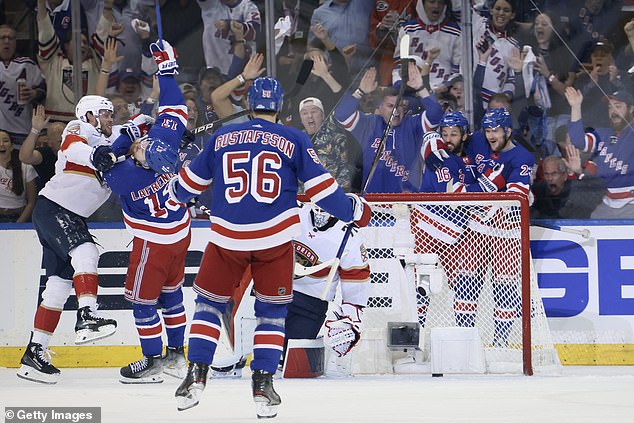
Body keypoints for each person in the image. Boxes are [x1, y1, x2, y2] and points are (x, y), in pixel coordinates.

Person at [167, 75, 371, 418]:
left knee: (208, 307)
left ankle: (195, 375)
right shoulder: (294, 138)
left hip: (227, 238)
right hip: (275, 240)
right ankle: (263, 384)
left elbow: (185, 188)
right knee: (271, 313)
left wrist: (172, 186)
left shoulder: (221, 137)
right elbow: (322, 191)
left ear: (249, 105)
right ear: (280, 107)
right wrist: (354, 210)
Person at [16, 94, 120, 384]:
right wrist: (95, 156)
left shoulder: (109, 141)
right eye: (105, 113)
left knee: (58, 287)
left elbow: (137, 130)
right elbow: (74, 148)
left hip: (61, 214)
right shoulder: (79, 128)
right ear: (89, 115)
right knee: (86, 250)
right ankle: (87, 315)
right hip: (57, 209)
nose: (111, 118)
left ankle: (35, 352)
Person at [100, 62, 191, 382]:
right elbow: (177, 107)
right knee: (171, 296)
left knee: (142, 303)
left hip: (153, 243)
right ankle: (178, 356)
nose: (142, 145)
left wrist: (124, 141)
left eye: (141, 150)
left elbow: (108, 161)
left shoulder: (127, 177)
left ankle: (153, 359)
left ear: (145, 165)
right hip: (180, 234)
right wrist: (166, 70)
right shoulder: (164, 145)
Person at [211, 200, 371, 378]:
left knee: (290, 362)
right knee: (237, 297)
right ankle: (239, 352)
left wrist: (348, 319)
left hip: (311, 305)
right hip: (275, 290)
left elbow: (356, 282)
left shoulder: (349, 237)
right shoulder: (293, 212)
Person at [334, 63, 443, 193]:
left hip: (406, 201)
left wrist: (420, 88)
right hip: (374, 201)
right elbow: (341, 114)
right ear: (380, 108)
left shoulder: (413, 124)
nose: (396, 111)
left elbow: (436, 115)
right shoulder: (369, 124)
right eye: (391, 106)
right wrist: (360, 91)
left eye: (400, 106)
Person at [565, 88, 634, 218]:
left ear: (631, 109)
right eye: (610, 107)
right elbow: (579, 141)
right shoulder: (603, 134)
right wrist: (575, 107)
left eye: (618, 106)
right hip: (607, 204)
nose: (613, 112)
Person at [392, 0, 461, 93]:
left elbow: (458, 71)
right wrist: (401, 85)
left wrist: (445, 86)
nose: (436, 6)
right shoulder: (407, 29)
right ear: (422, 4)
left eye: (440, 2)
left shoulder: (455, 33)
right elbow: (398, 66)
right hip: (411, 89)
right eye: (432, 2)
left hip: (442, 93)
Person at [299, 96, 359, 192]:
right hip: (304, 197)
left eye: (314, 111)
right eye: (304, 113)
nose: (309, 116)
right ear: (301, 119)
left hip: (331, 193)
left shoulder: (337, 138)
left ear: (322, 115)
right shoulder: (297, 140)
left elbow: (345, 169)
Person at [0, 24, 46, 147]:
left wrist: (34, 93)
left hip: (22, 129)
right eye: (2, 37)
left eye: (10, 38)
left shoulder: (27, 64)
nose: (6, 41)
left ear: (15, 42)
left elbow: (44, 90)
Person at [0, 130, 37, 223]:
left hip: (18, 216)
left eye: (5, 141)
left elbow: (31, 202)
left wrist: (18, 224)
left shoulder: (26, 167)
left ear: (12, 146)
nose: (1, 144)